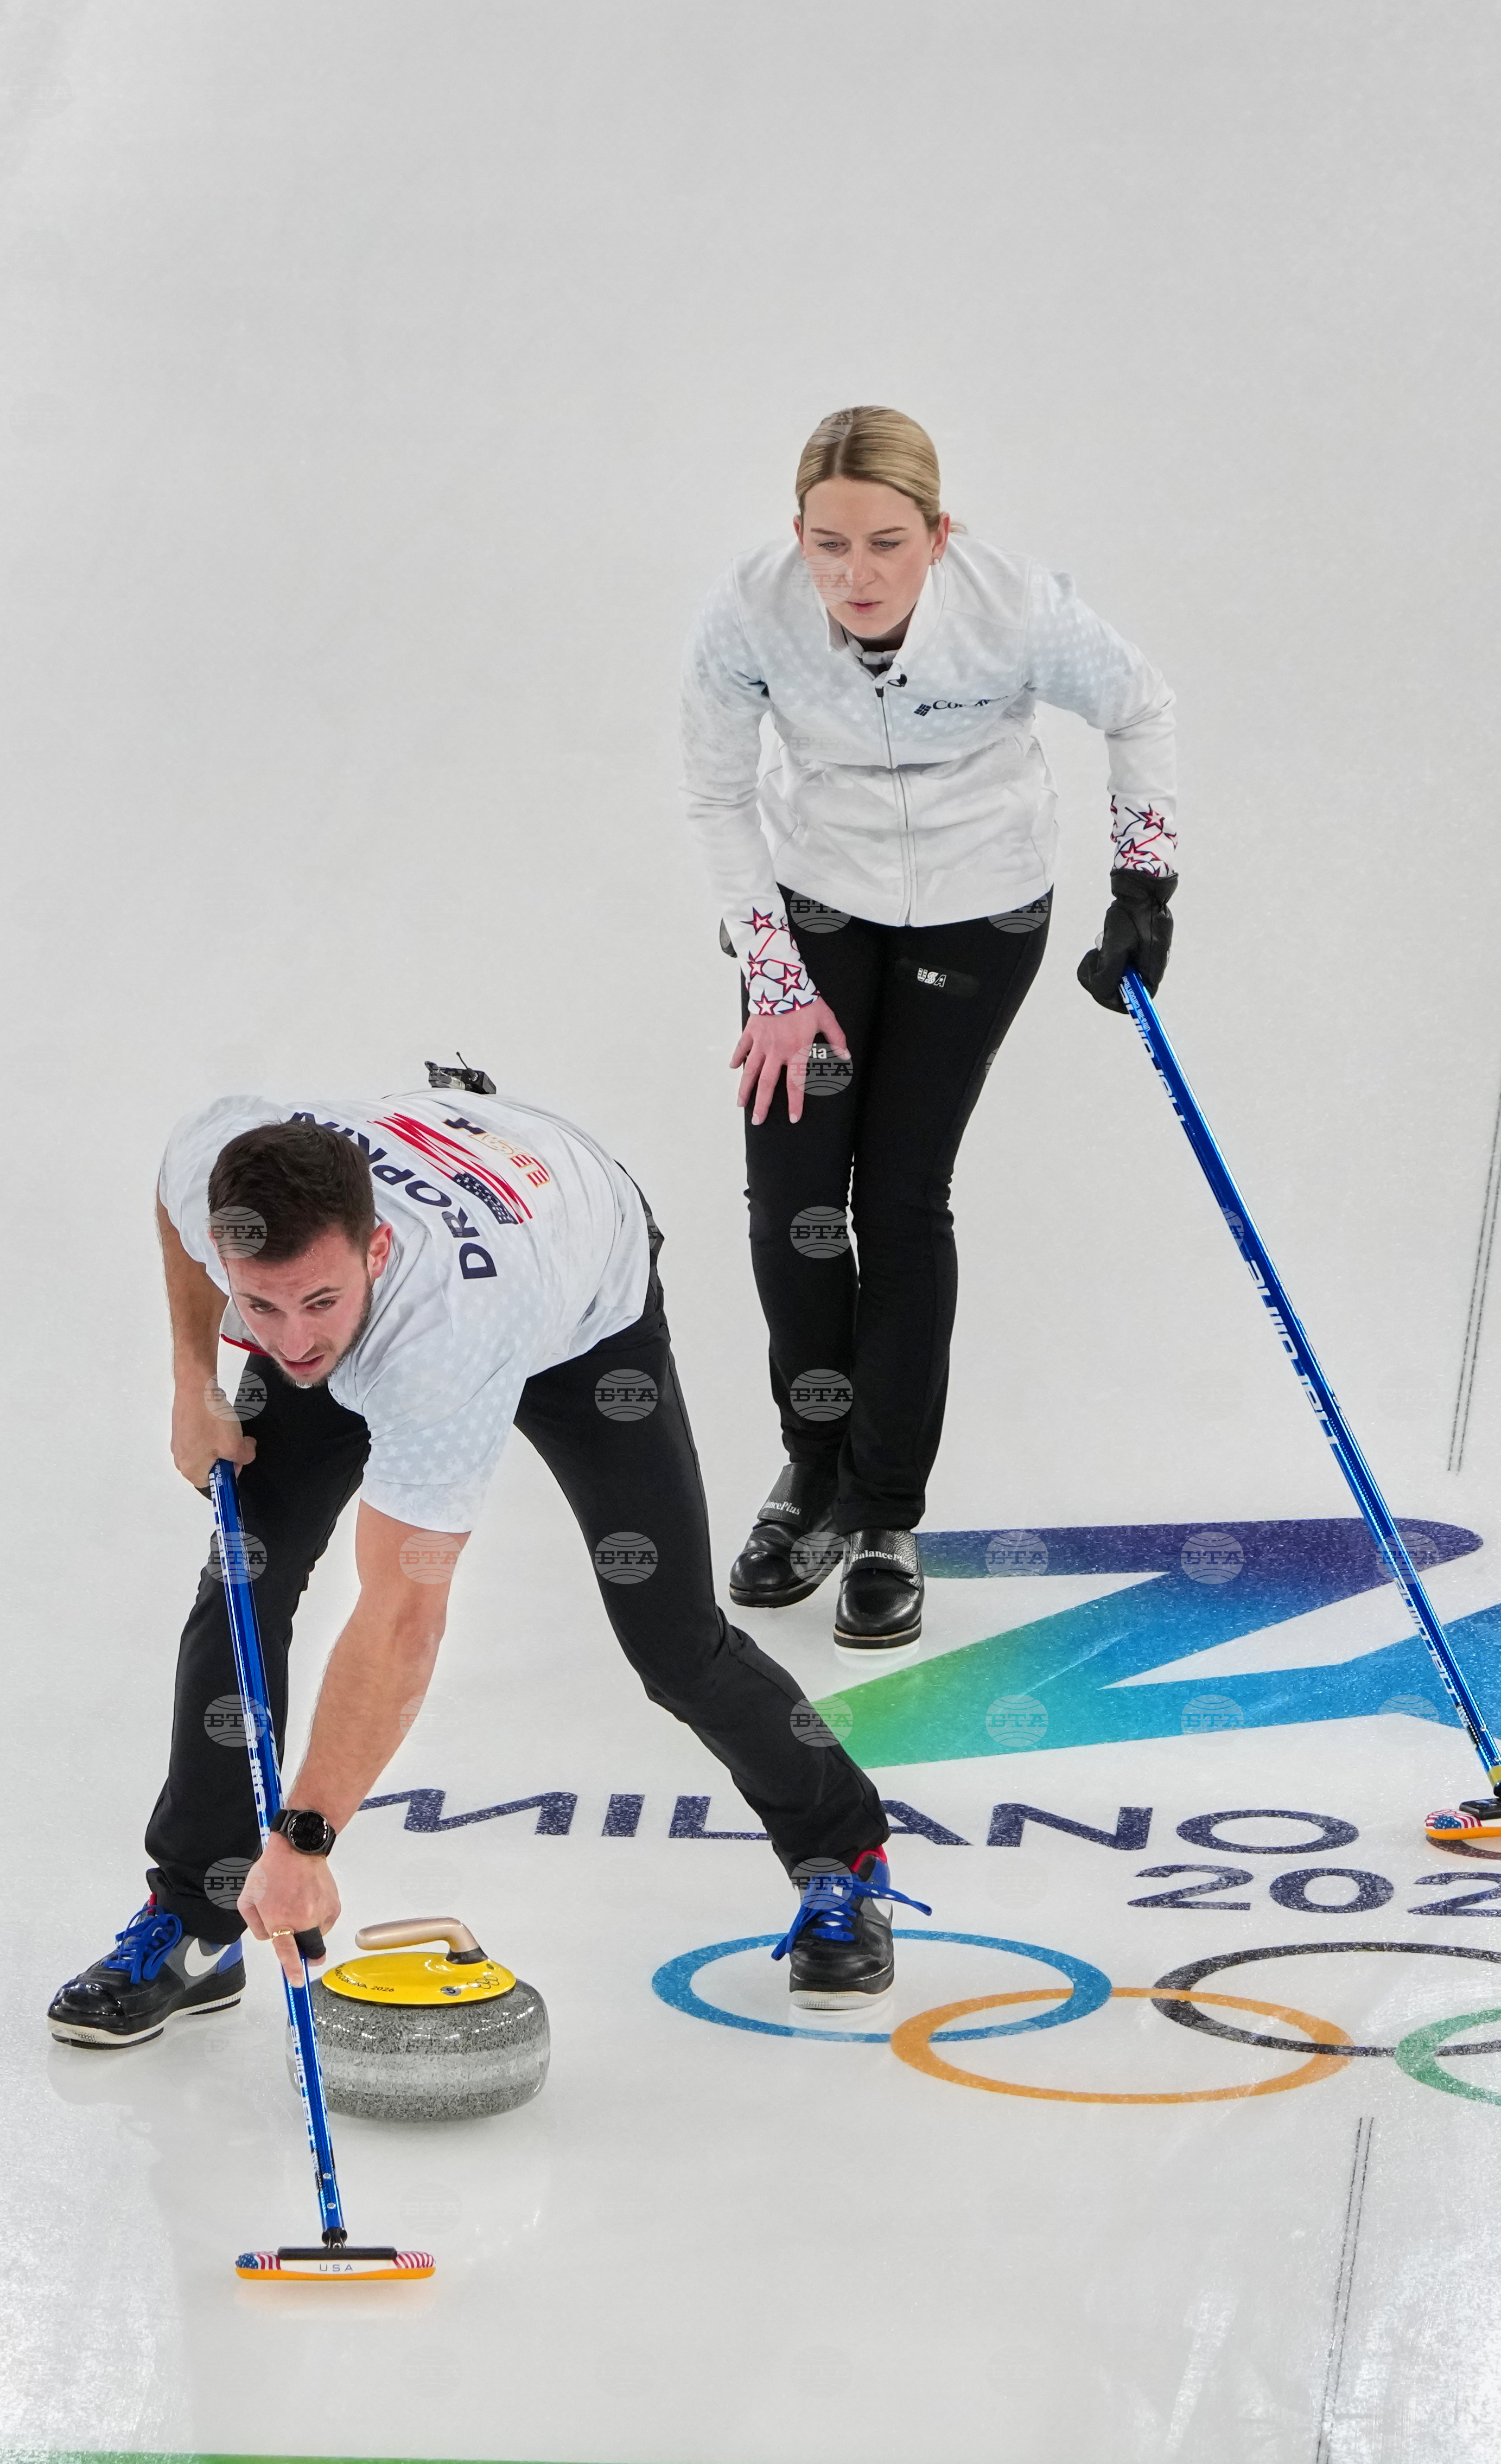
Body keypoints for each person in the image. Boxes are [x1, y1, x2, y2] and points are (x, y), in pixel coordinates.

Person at [48, 1072, 926, 2047]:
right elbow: (192, 1231)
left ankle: (843, 1855)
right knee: (243, 1577)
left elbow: (401, 1617)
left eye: (319, 1301)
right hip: (461, 1195)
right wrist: (192, 1377)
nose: (293, 1342)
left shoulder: (442, 1339)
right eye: (261, 1303)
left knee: (672, 1639)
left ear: (374, 1248)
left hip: (577, 1292)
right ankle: (198, 1922)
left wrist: (304, 1840)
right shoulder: (219, 1163)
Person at [681, 405, 1178, 1657]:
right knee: (791, 1197)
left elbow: (1140, 705)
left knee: (900, 1201)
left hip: (978, 906)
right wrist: (770, 969)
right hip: (818, 904)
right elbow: (714, 789)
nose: (855, 576)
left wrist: (1141, 885)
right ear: (796, 535)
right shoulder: (750, 609)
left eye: (887, 544)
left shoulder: (1012, 606)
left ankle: (884, 1515)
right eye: (828, 545)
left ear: (937, 534)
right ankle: (810, 1476)